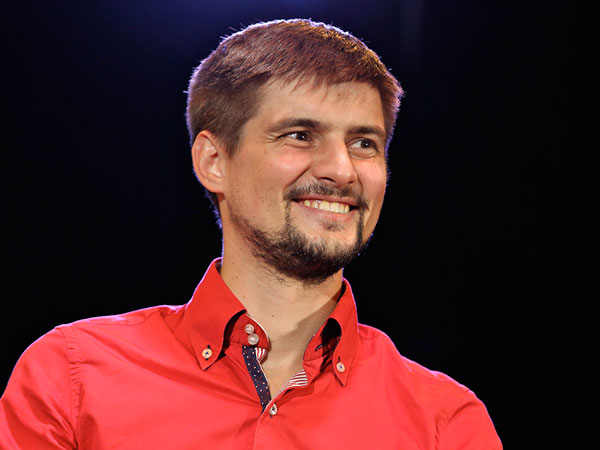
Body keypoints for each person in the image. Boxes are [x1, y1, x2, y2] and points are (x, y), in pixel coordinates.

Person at [0, 19, 502, 449]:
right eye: (300, 135)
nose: (341, 169)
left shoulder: (444, 422)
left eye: (364, 143)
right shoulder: (73, 377)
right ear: (213, 161)